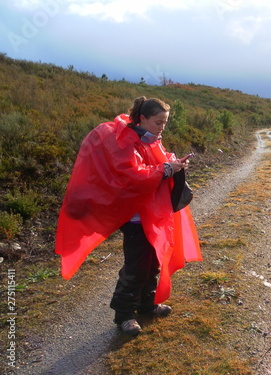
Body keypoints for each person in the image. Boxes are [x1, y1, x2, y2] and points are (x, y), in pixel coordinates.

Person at [55, 96, 202, 335]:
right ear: (142, 118)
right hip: (135, 218)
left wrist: (173, 163)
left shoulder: (149, 138)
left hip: (153, 212)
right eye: (158, 122)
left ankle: (147, 305)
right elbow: (132, 175)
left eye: (165, 122)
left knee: (154, 261)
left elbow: (154, 162)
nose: (162, 126)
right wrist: (166, 169)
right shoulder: (125, 141)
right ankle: (124, 315)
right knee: (136, 266)